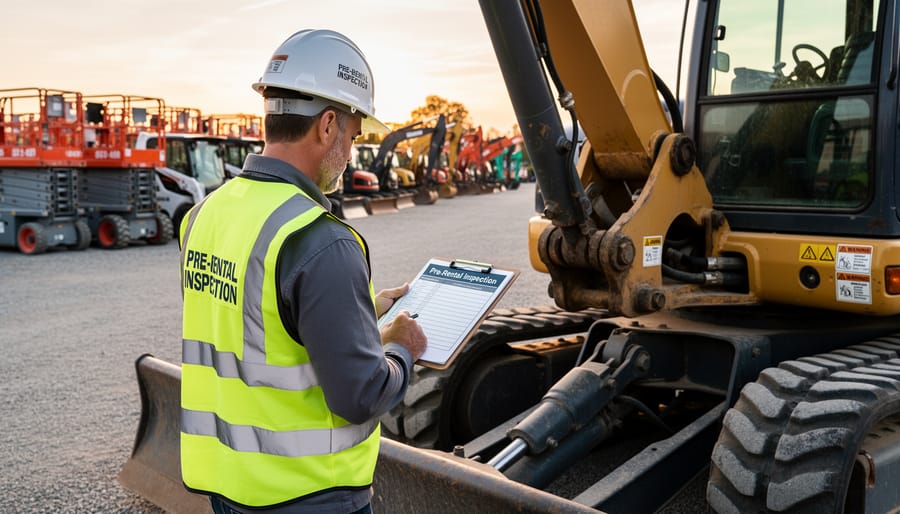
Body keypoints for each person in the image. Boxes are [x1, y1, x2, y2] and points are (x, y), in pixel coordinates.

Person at [178, 29, 427, 514]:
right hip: (308, 494)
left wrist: (361, 313)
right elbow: (361, 395)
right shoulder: (321, 240)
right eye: (353, 136)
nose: (351, 153)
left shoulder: (204, 215)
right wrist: (401, 348)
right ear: (329, 125)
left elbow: (253, 319)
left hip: (231, 487)